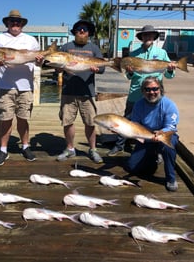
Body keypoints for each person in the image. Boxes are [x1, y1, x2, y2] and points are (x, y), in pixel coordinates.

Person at [108, 24, 176, 156]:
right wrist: (130, 72)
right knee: (127, 119)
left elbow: (168, 75)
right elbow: (129, 76)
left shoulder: (162, 53)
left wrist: (170, 69)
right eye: (145, 35)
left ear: (154, 37)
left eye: (150, 35)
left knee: (156, 120)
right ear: (141, 37)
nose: (148, 37)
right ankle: (120, 145)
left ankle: (158, 150)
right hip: (136, 92)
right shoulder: (133, 55)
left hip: (154, 93)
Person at [0, 9, 41, 167]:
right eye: (12, 21)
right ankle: (3, 150)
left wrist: (40, 59)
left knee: (23, 118)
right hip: (5, 86)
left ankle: (25, 146)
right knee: (5, 119)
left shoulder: (31, 40)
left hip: (26, 87)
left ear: (22, 24)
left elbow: (38, 62)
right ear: (7, 23)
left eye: (18, 22)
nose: (15, 24)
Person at [56, 19, 105, 164]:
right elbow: (57, 67)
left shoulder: (94, 48)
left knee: (90, 123)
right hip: (68, 91)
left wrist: (98, 68)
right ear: (75, 32)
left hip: (87, 92)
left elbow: (102, 68)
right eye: (79, 29)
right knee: (67, 121)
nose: (82, 31)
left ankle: (93, 149)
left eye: (84, 29)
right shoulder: (66, 47)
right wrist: (58, 67)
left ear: (88, 33)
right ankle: (70, 149)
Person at [125, 76, 179, 192]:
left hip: (165, 135)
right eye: (147, 89)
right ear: (143, 91)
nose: (151, 92)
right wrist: (121, 131)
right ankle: (154, 156)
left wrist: (161, 133)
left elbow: (171, 126)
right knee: (132, 167)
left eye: (155, 89)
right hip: (146, 138)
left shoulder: (169, 104)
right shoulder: (138, 104)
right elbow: (135, 125)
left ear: (161, 89)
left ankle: (171, 178)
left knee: (168, 146)